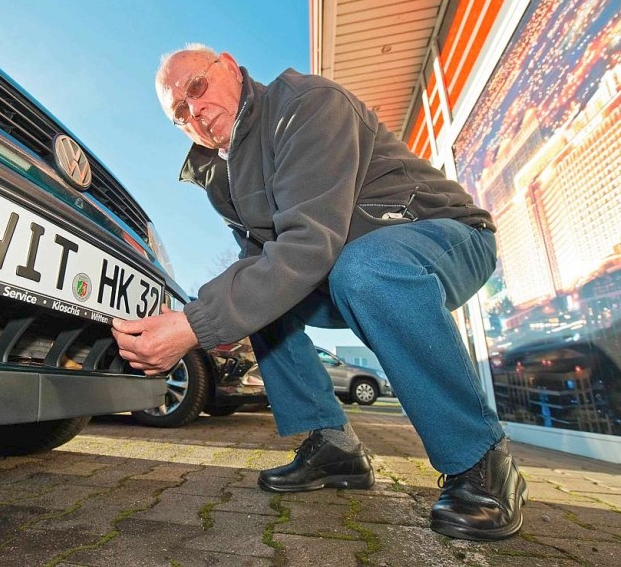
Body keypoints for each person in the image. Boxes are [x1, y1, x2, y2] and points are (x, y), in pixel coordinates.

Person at [111, 44, 527, 541]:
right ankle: (334, 446)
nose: (194, 111)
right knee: (257, 301)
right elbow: (258, 263)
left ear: (226, 64)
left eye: (195, 89)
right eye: (179, 113)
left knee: (364, 266)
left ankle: (479, 457)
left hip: (442, 236)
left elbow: (308, 243)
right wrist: (197, 312)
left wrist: (192, 328)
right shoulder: (220, 178)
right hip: (343, 269)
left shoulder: (305, 105)